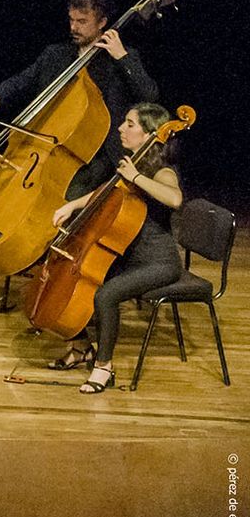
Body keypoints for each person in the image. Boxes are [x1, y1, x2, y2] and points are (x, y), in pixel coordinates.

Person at [44, 103, 183, 394]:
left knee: (106, 295)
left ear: (150, 134)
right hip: (128, 256)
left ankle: (104, 367)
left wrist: (136, 177)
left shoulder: (162, 171)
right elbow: (104, 192)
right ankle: (81, 348)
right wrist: (71, 205)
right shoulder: (132, 165)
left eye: (130, 124)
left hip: (158, 263)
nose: (121, 128)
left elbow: (174, 199)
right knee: (74, 278)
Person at [0, 0, 158, 200]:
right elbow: (23, 79)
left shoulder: (119, 58)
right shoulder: (55, 54)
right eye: (71, 20)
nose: (73, 27)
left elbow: (149, 95)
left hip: (97, 155)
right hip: (52, 145)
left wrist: (122, 57)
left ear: (102, 22)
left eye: (82, 22)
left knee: (68, 195)